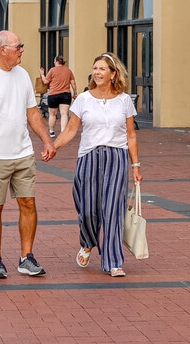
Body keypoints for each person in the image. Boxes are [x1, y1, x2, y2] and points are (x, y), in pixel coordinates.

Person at [0, 30, 56, 279]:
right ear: (2, 49)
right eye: (18, 46)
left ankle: (26, 258)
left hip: (23, 153)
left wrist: (47, 141)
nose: (22, 50)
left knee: (28, 203)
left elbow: (33, 114)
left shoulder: (23, 75)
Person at [53, 52, 143, 278]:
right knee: (88, 210)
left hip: (116, 158)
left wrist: (136, 166)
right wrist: (54, 146)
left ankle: (113, 260)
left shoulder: (124, 100)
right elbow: (72, 129)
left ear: (113, 74)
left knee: (113, 209)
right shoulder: (84, 99)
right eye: (95, 68)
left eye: (102, 69)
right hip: (89, 158)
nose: (97, 72)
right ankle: (87, 243)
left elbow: (131, 135)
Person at [38, 56, 78, 138]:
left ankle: (51, 131)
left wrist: (42, 74)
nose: (53, 62)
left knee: (52, 114)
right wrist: (75, 92)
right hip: (65, 94)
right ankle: (63, 131)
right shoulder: (68, 70)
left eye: (54, 61)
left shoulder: (52, 70)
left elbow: (45, 81)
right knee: (64, 114)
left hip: (53, 94)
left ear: (56, 61)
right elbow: (73, 82)